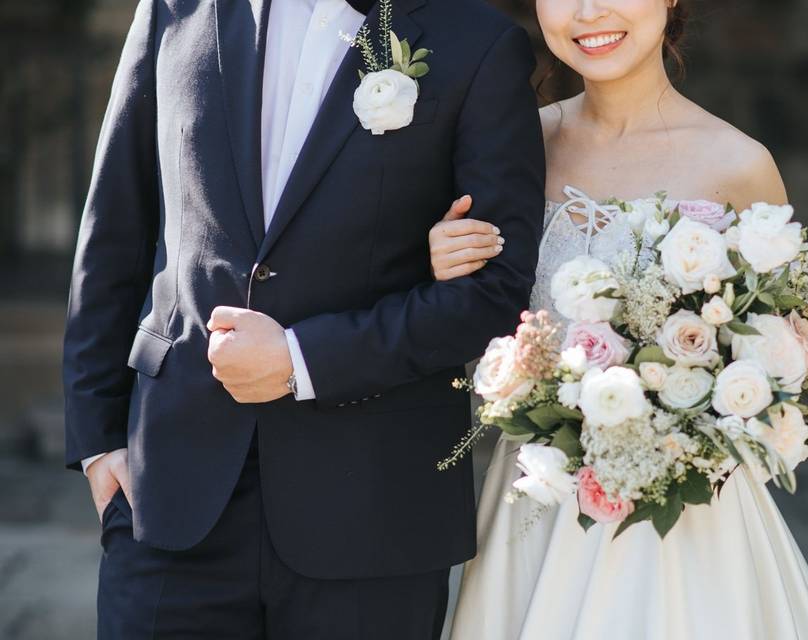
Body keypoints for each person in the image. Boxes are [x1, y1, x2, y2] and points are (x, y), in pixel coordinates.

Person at [62, 0, 544, 637]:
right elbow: (115, 228)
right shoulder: (172, 12)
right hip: (170, 498)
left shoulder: (478, 45)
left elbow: (493, 292)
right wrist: (97, 441)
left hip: (373, 511)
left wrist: (298, 359)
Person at [430, 1, 808, 638]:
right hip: (535, 503)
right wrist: (435, 258)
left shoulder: (738, 164)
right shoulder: (511, 145)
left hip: (683, 521)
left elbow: (786, 355)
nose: (589, 11)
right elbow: (464, 305)